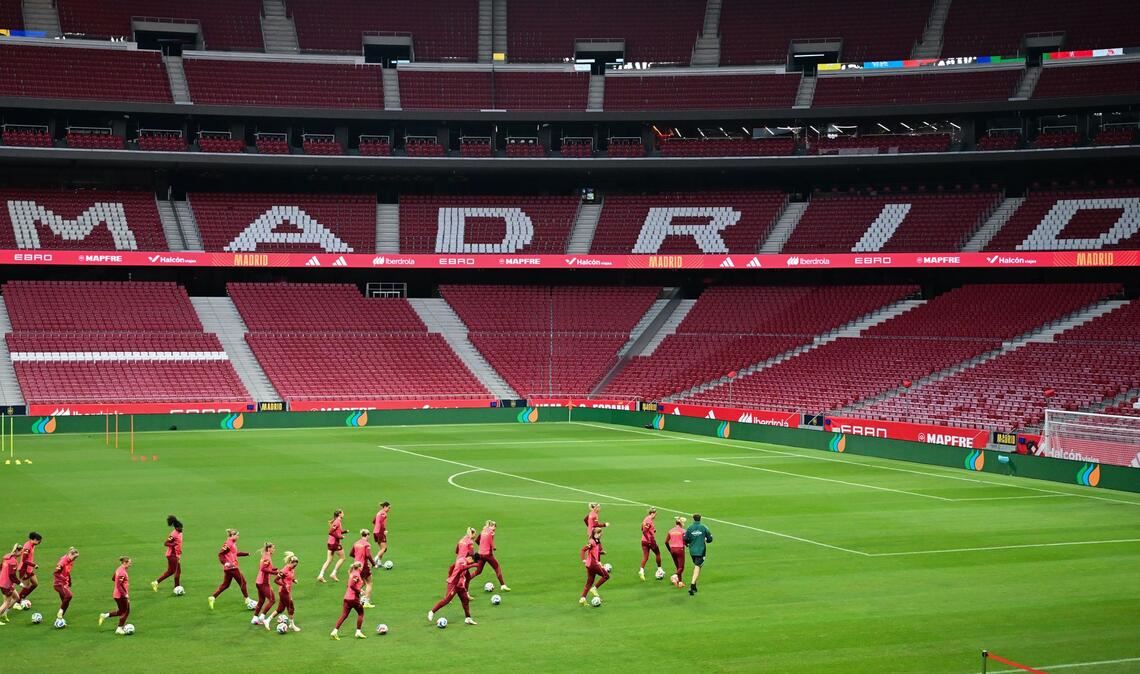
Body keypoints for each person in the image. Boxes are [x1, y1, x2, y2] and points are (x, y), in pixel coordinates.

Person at [428, 553, 480, 626]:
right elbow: (461, 568)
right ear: (470, 558)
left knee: (465, 600)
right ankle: (432, 612)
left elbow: (453, 567)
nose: (472, 563)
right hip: (454, 584)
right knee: (447, 600)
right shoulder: (462, 560)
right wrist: (473, 565)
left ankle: (468, 618)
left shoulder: (466, 563)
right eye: (473, 562)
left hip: (460, 585)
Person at [209, 528, 251, 610]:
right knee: (243, 582)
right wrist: (225, 563)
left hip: (230, 568)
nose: (238, 536)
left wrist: (246, 554)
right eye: (237, 535)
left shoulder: (232, 543)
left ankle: (212, 597)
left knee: (226, 585)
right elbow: (220, 554)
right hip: (232, 567)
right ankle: (247, 599)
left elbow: (235, 554)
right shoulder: (228, 543)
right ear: (232, 535)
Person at [330, 561, 367, 640]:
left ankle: (335, 631)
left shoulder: (351, 574)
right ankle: (358, 632)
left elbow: (348, 585)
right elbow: (352, 586)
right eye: (361, 567)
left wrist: (359, 590)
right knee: (361, 613)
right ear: (359, 567)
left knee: (344, 615)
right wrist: (359, 591)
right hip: (353, 599)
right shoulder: (356, 575)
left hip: (347, 598)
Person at [264, 552, 300, 632]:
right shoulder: (284, 570)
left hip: (287, 591)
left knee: (280, 609)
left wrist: (294, 580)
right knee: (291, 607)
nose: (295, 566)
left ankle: (267, 620)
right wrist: (284, 585)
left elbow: (290, 577)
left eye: (296, 565)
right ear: (291, 562)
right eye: (294, 565)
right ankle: (292, 625)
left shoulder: (292, 569)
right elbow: (276, 580)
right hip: (283, 591)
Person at [473, 520, 509, 592]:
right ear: (492, 526)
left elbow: (477, 540)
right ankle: (503, 585)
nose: (495, 528)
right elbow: (491, 542)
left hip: (480, 554)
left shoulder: (483, 531)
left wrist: (482, 546)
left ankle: (466, 581)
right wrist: (494, 547)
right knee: (497, 568)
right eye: (494, 526)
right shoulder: (491, 532)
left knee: (478, 571)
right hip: (488, 555)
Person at [99, 556, 132, 635]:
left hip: (117, 594)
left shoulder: (119, 569)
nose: (130, 565)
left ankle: (104, 615)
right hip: (121, 595)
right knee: (126, 612)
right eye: (129, 563)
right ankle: (119, 628)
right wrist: (125, 595)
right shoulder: (122, 572)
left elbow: (113, 578)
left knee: (121, 611)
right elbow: (119, 585)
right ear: (125, 563)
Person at [683, 513, 713, 596]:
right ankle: (692, 585)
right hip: (701, 551)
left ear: (693, 519)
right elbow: (710, 538)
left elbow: (685, 538)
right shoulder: (703, 527)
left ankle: (695, 586)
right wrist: (707, 540)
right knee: (697, 566)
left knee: (698, 566)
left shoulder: (689, 528)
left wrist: (688, 544)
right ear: (700, 519)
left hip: (692, 551)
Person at [152, 515, 183, 594]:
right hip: (172, 555)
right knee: (171, 571)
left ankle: (177, 587)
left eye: (182, 528)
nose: (181, 529)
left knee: (178, 571)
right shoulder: (173, 534)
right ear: (176, 528)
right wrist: (174, 544)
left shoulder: (180, 533)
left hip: (176, 555)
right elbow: (166, 543)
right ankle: (156, 582)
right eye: (179, 528)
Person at [579, 527, 609, 605]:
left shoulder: (596, 540)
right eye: (599, 533)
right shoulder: (591, 542)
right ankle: (594, 589)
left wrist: (601, 553)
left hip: (590, 565)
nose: (600, 535)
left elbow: (595, 552)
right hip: (593, 564)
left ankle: (583, 598)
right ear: (595, 534)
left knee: (589, 582)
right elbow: (583, 550)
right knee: (606, 576)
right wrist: (583, 559)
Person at [252, 542, 278, 625]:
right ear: (269, 548)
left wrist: (273, 569)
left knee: (261, 600)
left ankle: (254, 618)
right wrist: (275, 573)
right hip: (263, 582)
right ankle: (262, 617)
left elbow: (266, 568)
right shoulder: (267, 557)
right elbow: (263, 568)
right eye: (273, 548)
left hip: (259, 581)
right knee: (272, 600)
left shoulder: (265, 555)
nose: (274, 550)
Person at [350, 530, 376, 609]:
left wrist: (358, 557)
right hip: (363, 565)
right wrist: (374, 563)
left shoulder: (356, 543)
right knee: (369, 583)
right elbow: (368, 555)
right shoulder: (367, 544)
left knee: (361, 583)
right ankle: (366, 602)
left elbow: (351, 554)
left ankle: (355, 598)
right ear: (367, 535)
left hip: (356, 565)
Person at [317, 509, 346, 583]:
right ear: (339, 514)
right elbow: (331, 532)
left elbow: (338, 531)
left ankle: (321, 575)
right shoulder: (337, 521)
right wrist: (340, 537)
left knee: (329, 560)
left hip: (330, 542)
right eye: (342, 512)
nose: (343, 513)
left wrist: (345, 532)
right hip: (335, 543)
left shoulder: (337, 521)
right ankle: (333, 573)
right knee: (342, 558)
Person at [53, 547, 79, 622]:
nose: (74, 559)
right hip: (59, 584)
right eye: (74, 557)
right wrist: (64, 579)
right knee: (69, 596)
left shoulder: (70, 561)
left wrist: (70, 580)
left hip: (65, 584)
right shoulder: (62, 562)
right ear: (70, 554)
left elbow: (68, 572)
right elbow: (56, 573)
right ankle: (60, 613)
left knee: (65, 602)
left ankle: (59, 619)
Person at [16, 531, 42, 603]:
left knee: (35, 584)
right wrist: (34, 565)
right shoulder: (28, 547)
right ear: (34, 539)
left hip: (29, 569)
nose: (39, 542)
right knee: (26, 586)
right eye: (39, 541)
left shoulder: (32, 545)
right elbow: (24, 560)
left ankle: (22, 597)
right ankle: (18, 601)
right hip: (24, 569)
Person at [638, 507, 663, 582]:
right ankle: (659, 569)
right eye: (655, 514)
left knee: (645, 556)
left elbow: (642, 528)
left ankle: (641, 570)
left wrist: (653, 530)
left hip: (643, 541)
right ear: (652, 513)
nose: (656, 516)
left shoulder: (645, 519)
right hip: (650, 541)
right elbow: (644, 531)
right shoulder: (649, 520)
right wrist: (649, 540)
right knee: (658, 553)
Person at [0, 543, 23, 621]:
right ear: (17, 551)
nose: (21, 553)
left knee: (16, 597)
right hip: (6, 584)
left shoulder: (6, 556)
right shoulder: (13, 562)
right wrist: (20, 583)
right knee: (6, 602)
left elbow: (0, 567)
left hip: (4, 582)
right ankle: (1, 614)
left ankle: (4, 613)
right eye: (21, 552)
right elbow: (12, 575)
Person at [665, 516, 687, 589]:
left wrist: (670, 550)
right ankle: (674, 576)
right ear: (681, 523)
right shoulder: (683, 531)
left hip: (672, 549)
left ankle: (680, 582)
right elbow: (685, 541)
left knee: (678, 566)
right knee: (681, 567)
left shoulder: (670, 530)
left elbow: (666, 542)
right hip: (680, 549)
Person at [372, 501, 390, 566]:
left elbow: (374, 521)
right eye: (388, 507)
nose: (389, 509)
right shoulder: (383, 513)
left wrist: (377, 526)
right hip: (380, 532)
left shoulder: (378, 513)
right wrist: (384, 530)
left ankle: (379, 562)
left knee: (382, 549)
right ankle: (374, 560)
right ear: (385, 507)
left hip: (375, 532)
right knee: (384, 548)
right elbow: (381, 522)